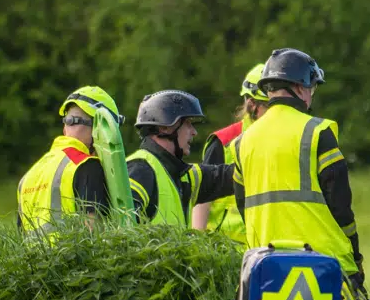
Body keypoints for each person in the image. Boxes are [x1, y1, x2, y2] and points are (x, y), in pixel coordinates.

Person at [233, 49, 367, 300]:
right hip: (324, 263)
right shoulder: (318, 132)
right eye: (312, 88)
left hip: (264, 265)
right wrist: (355, 256)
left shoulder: (241, 143)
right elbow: (341, 205)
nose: (311, 96)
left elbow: (242, 204)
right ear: (299, 87)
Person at [16, 87, 121, 232]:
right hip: (73, 255)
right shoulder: (87, 166)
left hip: (31, 255)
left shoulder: (28, 175)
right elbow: (94, 235)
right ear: (99, 128)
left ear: (65, 128)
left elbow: (21, 237)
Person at [126, 90, 236, 228]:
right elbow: (122, 227)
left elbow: (228, 176)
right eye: (188, 123)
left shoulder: (180, 173)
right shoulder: (141, 169)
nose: (194, 132)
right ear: (165, 127)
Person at [193, 63, 269, 243]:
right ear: (252, 105)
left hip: (267, 248)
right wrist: (196, 243)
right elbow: (202, 195)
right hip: (224, 249)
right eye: (270, 107)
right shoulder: (224, 141)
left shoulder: (283, 139)